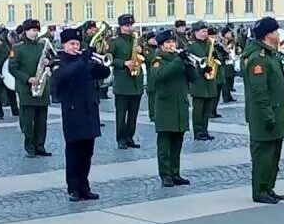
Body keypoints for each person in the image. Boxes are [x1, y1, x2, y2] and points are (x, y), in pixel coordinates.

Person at [51, 27, 110, 200]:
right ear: (64, 45)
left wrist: (99, 62)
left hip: (89, 111)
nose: (75, 46)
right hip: (73, 112)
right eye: (71, 44)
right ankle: (73, 188)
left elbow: (104, 73)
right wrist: (82, 60)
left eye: (77, 43)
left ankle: (84, 186)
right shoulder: (59, 61)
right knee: (74, 152)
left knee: (87, 153)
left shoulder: (84, 60)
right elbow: (62, 77)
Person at [243, 16, 284, 203]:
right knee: (263, 156)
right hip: (264, 116)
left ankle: (269, 187)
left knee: (273, 156)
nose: (278, 34)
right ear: (266, 35)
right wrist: (268, 115)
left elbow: (274, 83)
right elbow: (259, 92)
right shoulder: (258, 59)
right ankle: (260, 191)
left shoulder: (271, 55)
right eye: (275, 31)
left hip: (276, 113)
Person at [151, 30, 194, 187]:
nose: (171, 45)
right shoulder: (157, 60)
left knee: (177, 143)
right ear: (162, 46)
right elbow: (161, 75)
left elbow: (194, 79)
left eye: (173, 42)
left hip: (180, 106)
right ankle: (165, 175)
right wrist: (179, 61)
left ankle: (175, 173)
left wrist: (189, 64)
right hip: (165, 107)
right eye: (168, 43)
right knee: (165, 145)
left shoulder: (179, 59)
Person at [9, 19, 52, 157]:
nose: (35, 33)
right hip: (27, 89)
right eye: (32, 30)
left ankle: (40, 146)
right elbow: (12, 68)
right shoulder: (17, 48)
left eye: (36, 30)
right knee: (28, 121)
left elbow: (52, 60)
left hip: (42, 87)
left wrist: (48, 62)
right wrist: (27, 79)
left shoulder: (42, 46)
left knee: (41, 121)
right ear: (26, 31)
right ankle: (30, 147)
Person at [108, 14, 144, 149]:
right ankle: (121, 139)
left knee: (133, 114)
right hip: (122, 82)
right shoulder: (114, 42)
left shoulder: (137, 40)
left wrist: (141, 51)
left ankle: (130, 137)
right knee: (121, 114)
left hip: (136, 81)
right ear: (121, 27)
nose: (129, 28)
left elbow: (145, 54)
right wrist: (124, 63)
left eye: (131, 25)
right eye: (126, 26)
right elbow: (109, 59)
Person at [186, 22, 221, 141]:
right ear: (196, 33)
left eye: (206, 31)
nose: (205, 34)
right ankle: (198, 131)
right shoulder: (192, 46)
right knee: (198, 109)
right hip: (199, 82)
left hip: (209, 81)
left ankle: (205, 130)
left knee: (207, 109)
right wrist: (201, 68)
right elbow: (190, 63)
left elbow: (216, 58)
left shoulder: (209, 44)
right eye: (203, 31)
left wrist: (216, 55)